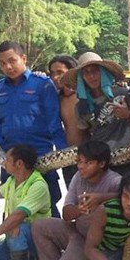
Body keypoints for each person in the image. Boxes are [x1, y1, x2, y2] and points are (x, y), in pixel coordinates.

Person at [30, 140, 121, 260]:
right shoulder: (78, 177)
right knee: (39, 225)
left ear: (102, 164)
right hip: (77, 231)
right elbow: (66, 214)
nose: (81, 166)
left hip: (96, 242)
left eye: (87, 162)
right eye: (79, 161)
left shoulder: (114, 181)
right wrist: (80, 209)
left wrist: (100, 198)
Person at [0, 40, 66, 218]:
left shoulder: (42, 84)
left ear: (23, 58)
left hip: (40, 158)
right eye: (2, 63)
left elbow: (53, 121)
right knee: (13, 201)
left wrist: (65, 154)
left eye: (12, 61)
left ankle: (53, 244)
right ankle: (15, 243)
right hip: (10, 157)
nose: (8, 67)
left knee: (47, 204)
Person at [60, 52, 130, 177]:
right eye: (86, 72)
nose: (91, 76)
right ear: (82, 77)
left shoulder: (124, 94)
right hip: (101, 167)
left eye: (95, 71)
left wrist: (128, 115)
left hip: (129, 160)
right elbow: (85, 137)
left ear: (103, 72)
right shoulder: (81, 106)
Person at [47, 54, 81, 187]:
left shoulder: (85, 96)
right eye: (52, 73)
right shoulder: (56, 98)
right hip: (67, 157)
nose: (55, 77)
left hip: (89, 156)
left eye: (60, 72)